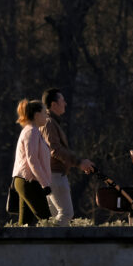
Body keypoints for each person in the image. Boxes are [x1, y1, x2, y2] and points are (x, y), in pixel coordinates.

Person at [39, 88, 95, 227]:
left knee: (53, 218)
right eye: (62, 100)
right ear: (53, 104)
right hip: (55, 175)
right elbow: (55, 150)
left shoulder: (49, 122)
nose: (65, 103)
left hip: (51, 175)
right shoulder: (49, 123)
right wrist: (79, 162)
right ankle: (52, 239)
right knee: (66, 213)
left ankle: (49, 238)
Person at [12, 99, 53, 226]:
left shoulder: (33, 131)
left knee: (25, 224)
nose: (47, 116)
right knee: (47, 220)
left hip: (25, 181)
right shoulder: (32, 131)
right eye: (44, 113)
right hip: (29, 182)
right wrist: (45, 184)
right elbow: (33, 160)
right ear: (36, 115)